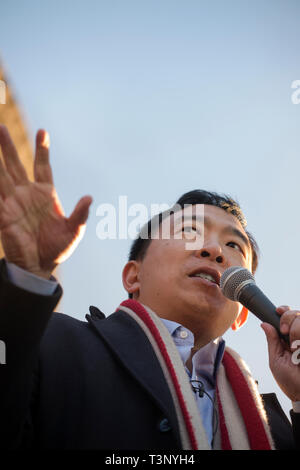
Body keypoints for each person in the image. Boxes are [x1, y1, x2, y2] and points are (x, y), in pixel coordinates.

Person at [0, 124, 299, 450]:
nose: (213, 250)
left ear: (242, 312)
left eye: (233, 245)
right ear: (133, 276)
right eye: (189, 231)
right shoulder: (51, 345)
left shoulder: (277, 430)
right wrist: (24, 284)